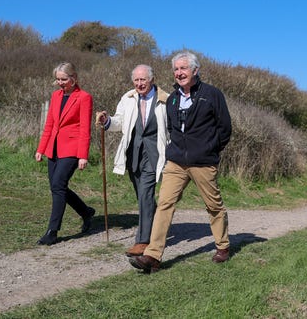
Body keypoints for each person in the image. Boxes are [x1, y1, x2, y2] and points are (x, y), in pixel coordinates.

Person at [129, 51, 232, 273]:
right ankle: (153, 256)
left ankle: (223, 246)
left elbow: (225, 129)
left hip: (203, 162)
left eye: (183, 68)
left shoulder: (212, 94)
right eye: (176, 69)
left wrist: (210, 149)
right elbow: (172, 129)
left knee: (213, 206)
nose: (179, 73)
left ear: (195, 70)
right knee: (165, 204)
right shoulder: (172, 98)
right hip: (175, 161)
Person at [96, 64, 169, 257]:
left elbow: (172, 128)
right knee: (142, 195)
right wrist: (107, 121)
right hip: (133, 153)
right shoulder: (128, 98)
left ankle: (143, 240)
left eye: (143, 79)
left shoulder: (165, 99)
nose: (139, 83)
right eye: (136, 80)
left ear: (152, 79)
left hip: (155, 154)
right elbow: (119, 122)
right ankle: (156, 225)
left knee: (145, 193)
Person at [35, 62, 95, 246]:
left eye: (64, 79)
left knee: (59, 185)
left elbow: (85, 128)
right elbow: (50, 125)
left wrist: (83, 155)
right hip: (53, 147)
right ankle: (85, 211)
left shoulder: (84, 97)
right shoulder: (55, 96)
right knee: (56, 186)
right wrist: (40, 148)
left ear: (73, 78)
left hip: (72, 148)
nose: (60, 83)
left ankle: (52, 231)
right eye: (58, 79)